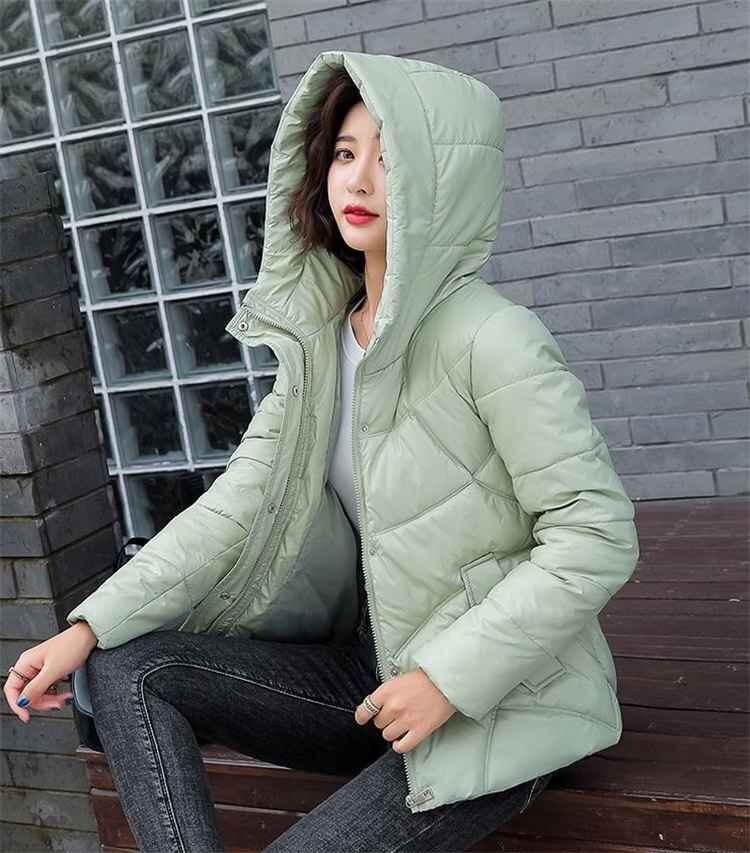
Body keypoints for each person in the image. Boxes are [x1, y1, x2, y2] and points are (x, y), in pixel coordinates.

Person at [3, 50, 639, 852]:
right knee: (127, 667)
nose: (358, 180)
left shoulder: (494, 338)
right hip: (369, 673)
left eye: (390, 158)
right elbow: (236, 506)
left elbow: (595, 535)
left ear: (444, 181)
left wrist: (447, 678)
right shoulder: (324, 346)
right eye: (344, 153)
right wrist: (85, 629)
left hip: (501, 698)